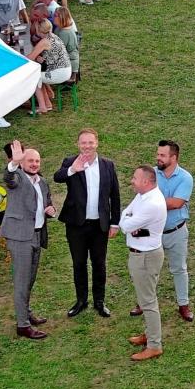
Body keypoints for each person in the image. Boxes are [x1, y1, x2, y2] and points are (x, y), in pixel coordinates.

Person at [54, 128, 122, 319]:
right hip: (76, 224)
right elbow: (57, 177)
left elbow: (115, 195)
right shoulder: (70, 162)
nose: (87, 146)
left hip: (100, 225)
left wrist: (115, 223)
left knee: (99, 263)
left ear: (97, 143)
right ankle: (81, 300)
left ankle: (99, 301)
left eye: (90, 142)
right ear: (78, 144)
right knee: (79, 263)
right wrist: (72, 169)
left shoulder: (107, 165)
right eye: (83, 143)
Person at [1, 141, 55, 340]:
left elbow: (47, 202)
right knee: (22, 281)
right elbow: (9, 178)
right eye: (30, 160)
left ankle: (26, 311)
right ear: (22, 162)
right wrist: (13, 164)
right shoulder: (18, 178)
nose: (34, 164)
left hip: (36, 235)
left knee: (30, 279)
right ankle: (23, 325)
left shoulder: (42, 182)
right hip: (20, 237)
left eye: (37, 161)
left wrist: (51, 210)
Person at [136, 140, 194, 321]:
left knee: (179, 269)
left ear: (173, 158)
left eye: (162, 155)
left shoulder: (185, 178)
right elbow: (142, 198)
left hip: (176, 232)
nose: (158, 158)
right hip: (153, 233)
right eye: (158, 154)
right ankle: (143, 303)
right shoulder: (151, 175)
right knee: (148, 270)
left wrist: (153, 201)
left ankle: (183, 305)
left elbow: (177, 203)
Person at [115, 166, 167, 361]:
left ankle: (154, 345)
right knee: (146, 298)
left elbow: (126, 225)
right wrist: (128, 220)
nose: (131, 180)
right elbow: (126, 214)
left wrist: (128, 222)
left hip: (145, 257)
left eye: (135, 178)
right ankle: (150, 334)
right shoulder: (143, 195)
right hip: (142, 255)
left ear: (146, 181)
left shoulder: (151, 203)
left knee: (148, 301)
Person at [26, 19, 72, 114]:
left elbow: (30, 58)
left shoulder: (44, 41)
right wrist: (39, 57)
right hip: (66, 69)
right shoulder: (53, 36)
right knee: (40, 74)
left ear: (39, 30)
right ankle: (47, 103)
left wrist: (16, 57)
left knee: (34, 77)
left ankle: (42, 107)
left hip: (59, 72)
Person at [53, 7, 81, 82]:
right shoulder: (59, 28)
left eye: (55, 16)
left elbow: (58, 50)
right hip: (66, 58)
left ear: (61, 18)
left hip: (68, 63)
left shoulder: (64, 33)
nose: (53, 17)